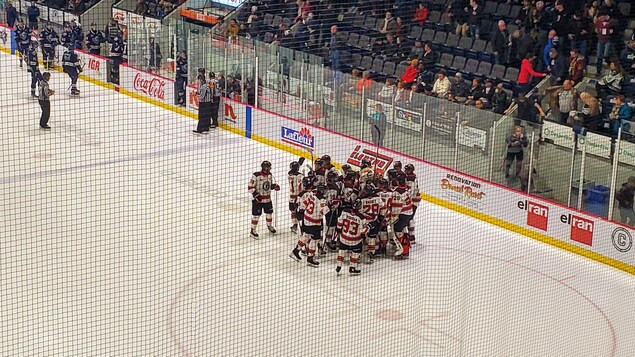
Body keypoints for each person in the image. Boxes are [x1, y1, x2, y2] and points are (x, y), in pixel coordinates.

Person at [289, 183, 329, 266]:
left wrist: (300, 212)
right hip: (314, 222)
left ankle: (295, 251)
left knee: (306, 235)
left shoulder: (311, 194)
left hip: (306, 219)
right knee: (315, 240)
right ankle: (310, 258)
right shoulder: (322, 200)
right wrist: (331, 206)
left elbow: (303, 204)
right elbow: (324, 212)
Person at [334, 200, 375, 275]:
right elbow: (363, 231)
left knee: (342, 251)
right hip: (355, 241)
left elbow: (339, 223)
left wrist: (339, 230)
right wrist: (369, 226)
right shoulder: (361, 218)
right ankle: (352, 267)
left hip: (344, 238)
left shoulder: (345, 212)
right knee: (356, 252)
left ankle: (338, 266)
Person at [249, 161, 280, 239]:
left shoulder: (270, 175)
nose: (269, 169)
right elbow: (250, 187)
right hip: (258, 201)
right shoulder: (256, 175)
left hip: (268, 200)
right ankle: (253, 230)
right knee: (256, 216)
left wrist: (274, 186)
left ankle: (269, 226)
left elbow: (268, 186)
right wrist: (256, 194)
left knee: (269, 214)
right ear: (264, 167)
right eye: (268, 167)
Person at [287, 161, 304, 234]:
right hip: (299, 197)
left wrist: (299, 163)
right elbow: (302, 186)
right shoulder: (300, 176)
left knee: (293, 211)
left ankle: (295, 225)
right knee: (301, 212)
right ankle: (303, 226)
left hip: (291, 197)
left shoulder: (289, 175)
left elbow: (293, 171)